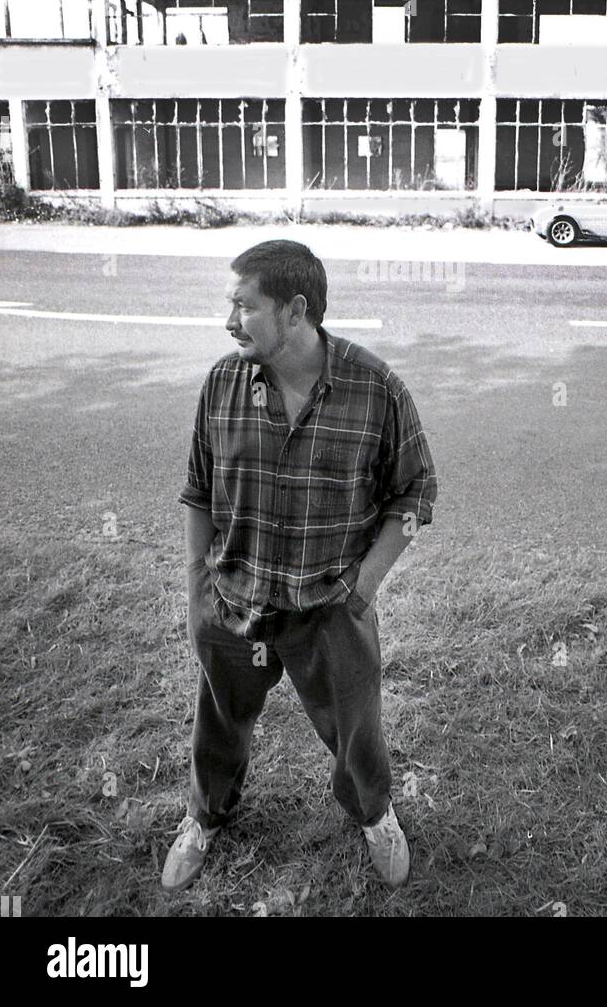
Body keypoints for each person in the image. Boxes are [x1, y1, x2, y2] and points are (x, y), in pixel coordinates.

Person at [162, 239, 437, 893]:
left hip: (329, 611)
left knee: (356, 733)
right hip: (233, 601)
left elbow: (415, 492)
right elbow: (199, 490)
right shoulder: (223, 382)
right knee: (219, 722)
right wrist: (197, 590)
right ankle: (205, 815)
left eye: (243, 307)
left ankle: (373, 815)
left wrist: (362, 589)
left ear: (295, 310)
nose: (229, 322)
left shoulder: (375, 388)